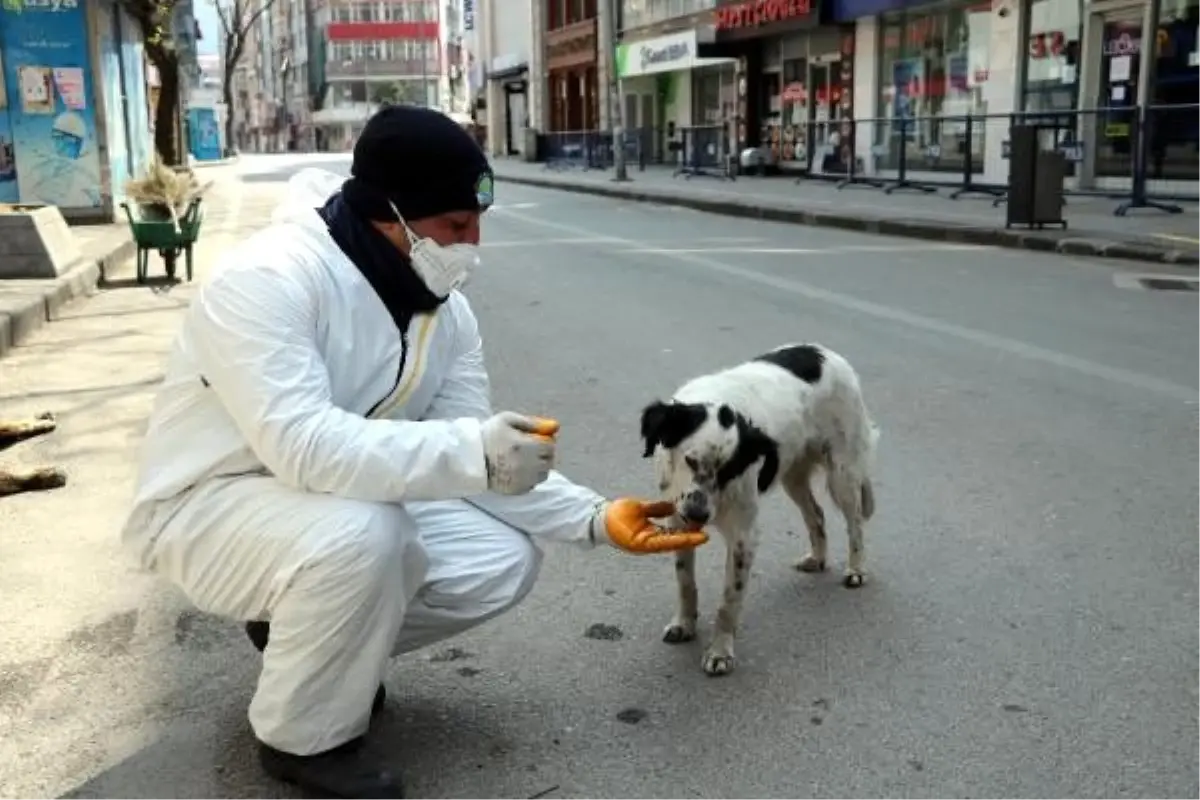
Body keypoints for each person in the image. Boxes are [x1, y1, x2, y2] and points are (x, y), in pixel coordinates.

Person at [118, 104, 708, 800]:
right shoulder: (269, 280)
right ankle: (302, 737)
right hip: (211, 505)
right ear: (388, 212)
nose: (472, 246)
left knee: (501, 559)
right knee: (367, 534)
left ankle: (315, 649)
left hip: (331, 501)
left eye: (478, 224)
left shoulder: (444, 310)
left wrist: (593, 517)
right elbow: (304, 445)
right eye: (455, 227)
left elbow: (472, 451)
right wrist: (474, 452)